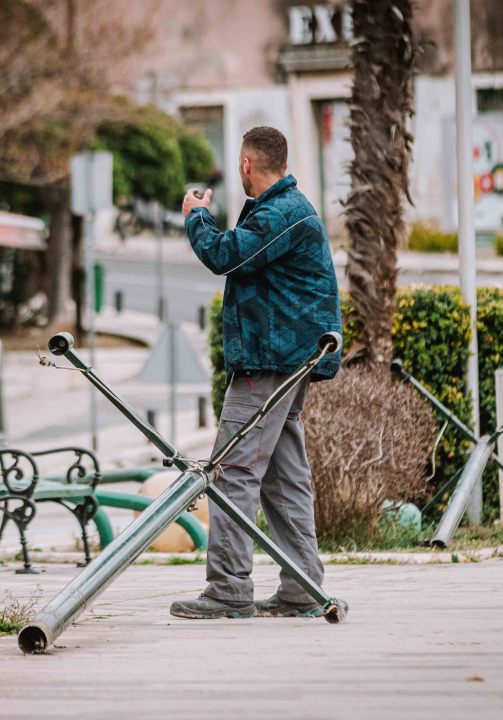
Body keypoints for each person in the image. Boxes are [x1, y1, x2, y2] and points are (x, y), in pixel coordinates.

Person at [171, 126, 342, 619]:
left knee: (233, 471)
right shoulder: (282, 212)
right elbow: (245, 251)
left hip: (270, 364)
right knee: (284, 480)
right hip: (283, 363)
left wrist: (197, 217)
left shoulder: (284, 213)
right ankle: (302, 589)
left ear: (247, 165)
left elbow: (227, 255)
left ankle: (228, 589)